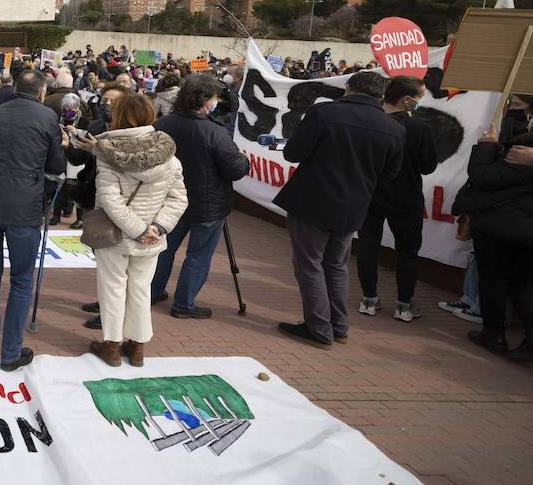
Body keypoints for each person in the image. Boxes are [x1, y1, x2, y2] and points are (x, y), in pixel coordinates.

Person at [273, 70, 404, 347]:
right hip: (353, 206)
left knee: (310, 265)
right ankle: (338, 326)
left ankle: (319, 329)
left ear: (348, 88)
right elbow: (391, 174)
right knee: (336, 266)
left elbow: (293, 153)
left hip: (313, 202)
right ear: (380, 96)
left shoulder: (324, 113)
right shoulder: (394, 128)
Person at [81, 92, 187, 367]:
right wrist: (157, 227)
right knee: (141, 289)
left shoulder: (108, 152)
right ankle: (137, 347)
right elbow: (178, 199)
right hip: (151, 238)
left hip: (117, 235)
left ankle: (112, 346)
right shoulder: (169, 157)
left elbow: (109, 200)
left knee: (113, 288)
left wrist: (140, 229)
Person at [0, 70, 65, 371]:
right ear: (41, 92)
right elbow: (56, 164)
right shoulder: (47, 117)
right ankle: (10, 352)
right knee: (22, 280)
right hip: (24, 206)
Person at [150, 73, 250, 319]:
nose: (216, 102)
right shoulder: (214, 132)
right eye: (214, 98)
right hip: (207, 205)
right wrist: (244, 159)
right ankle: (183, 304)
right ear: (205, 100)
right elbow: (236, 169)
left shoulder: (163, 124)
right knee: (198, 255)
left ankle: (151, 292)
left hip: (171, 202)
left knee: (164, 249)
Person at [356, 75, 438, 322]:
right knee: (408, 251)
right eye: (420, 98)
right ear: (407, 100)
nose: (421, 102)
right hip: (406, 197)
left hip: (370, 194)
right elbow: (428, 166)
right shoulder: (420, 128)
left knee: (368, 246)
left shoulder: (369, 123)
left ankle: (368, 299)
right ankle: (403, 304)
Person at [454, 115, 533, 360]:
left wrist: (487, 146)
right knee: (523, 284)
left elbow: (482, 178)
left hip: (498, 226)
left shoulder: (520, 153)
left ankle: (494, 334)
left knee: (494, 280)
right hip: (522, 230)